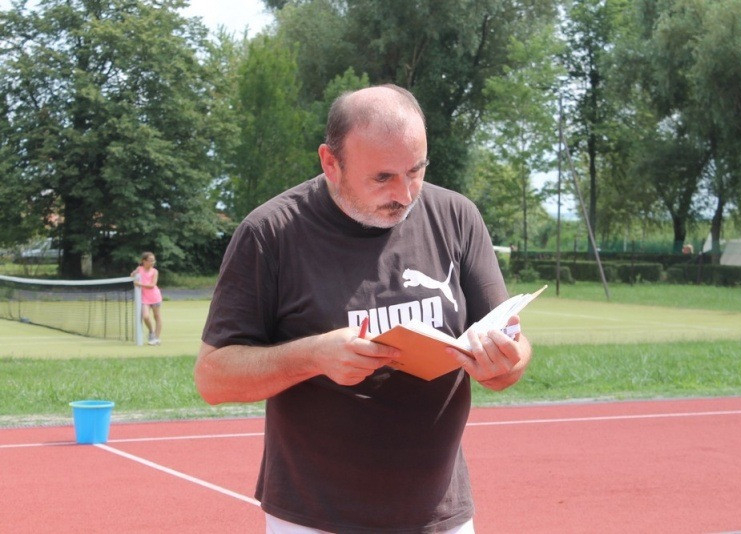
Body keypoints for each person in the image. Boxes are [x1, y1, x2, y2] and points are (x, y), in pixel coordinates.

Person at [195, 84, 532, 533]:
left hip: (440, 514)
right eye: (383, 178)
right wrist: (314, 355)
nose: (405, 194)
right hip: (315, 518)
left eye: (416, 171)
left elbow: (512, 350)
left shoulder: (456, 216)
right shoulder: (271, 233)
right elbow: (213, 378)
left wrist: (505, 361)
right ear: (330, 163)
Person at [131, 251, 163, 346]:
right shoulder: (139, 269)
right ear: (144, 261)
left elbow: (152, 285)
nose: (152, 262)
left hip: (155, 297)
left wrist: (139, 284)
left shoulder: (155, 271)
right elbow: (132, 275)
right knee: (145, 316)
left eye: (153, 260)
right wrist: (133, 274)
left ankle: (156, 338)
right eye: (150, 260)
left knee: (157, 316)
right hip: (144, 298)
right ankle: (151, 332)